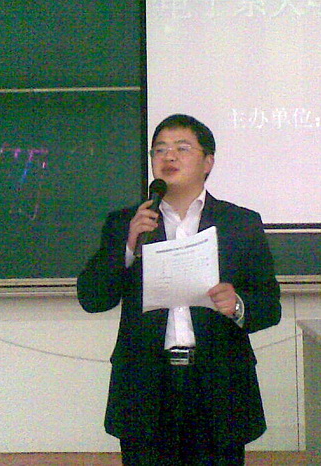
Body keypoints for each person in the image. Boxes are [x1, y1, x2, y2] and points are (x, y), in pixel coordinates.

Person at [77, 114, 281, 465]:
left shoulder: (239, 223)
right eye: (159, 150)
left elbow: (269, 306)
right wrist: (128, 246)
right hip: (146, 385)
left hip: (218, 384)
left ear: (208, 162)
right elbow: (92, 298)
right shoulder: (126, 222)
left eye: (182, 148)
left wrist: (237, 305)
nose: (168, 156)